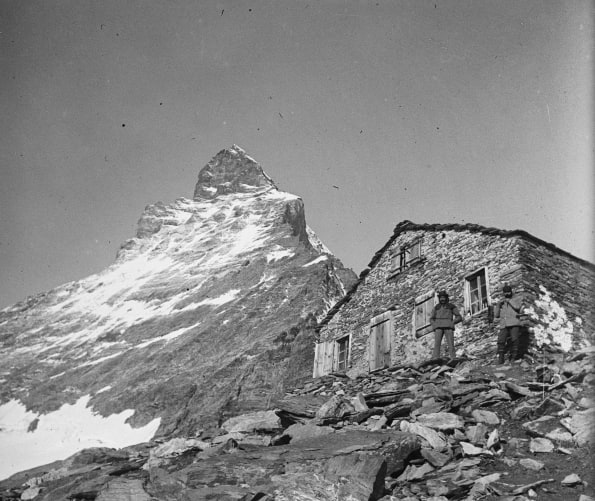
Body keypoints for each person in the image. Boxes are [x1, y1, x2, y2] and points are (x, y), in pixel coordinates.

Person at [493, 284, 525, 364]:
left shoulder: (517, 298)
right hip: (504, 324)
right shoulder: (502, 302)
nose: (507, 294)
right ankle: (501, 359)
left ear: (511, 292)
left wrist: (509, 301)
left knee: (515, 339)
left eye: (508, 292)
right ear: (503, 293)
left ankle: (514, 358)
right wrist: (498, 305)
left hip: (514, 322)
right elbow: (496, 315)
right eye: (505, 293)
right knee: (501, 340)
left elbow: (518, 307)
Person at [430, 291, 463, 359]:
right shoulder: (436, 307)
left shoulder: (451, 306)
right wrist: (434, 325)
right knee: (437, 344)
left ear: (446, 298)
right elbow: (431, 319)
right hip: (438, 327)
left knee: (451, 343)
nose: (442, 299)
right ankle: (435, 358)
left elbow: (459, 317)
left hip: (448, 326)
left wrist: (452, 322)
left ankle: (453, 357)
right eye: (441, 297)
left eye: (443, 297)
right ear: (439, 298)